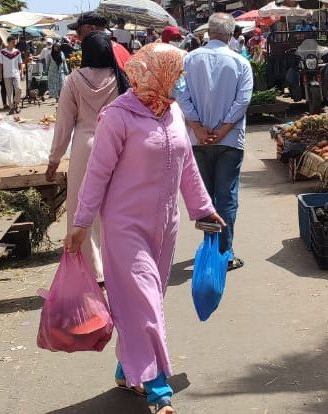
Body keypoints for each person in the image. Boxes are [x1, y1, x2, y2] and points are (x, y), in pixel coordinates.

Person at [63, 44, 226, 414]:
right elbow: (97, 174)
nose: (181, 82)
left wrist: (203, 209)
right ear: (158, 73)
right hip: (124, 228)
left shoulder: (173, 112)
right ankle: (157, 389)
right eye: (177, 74)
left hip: (165, 227)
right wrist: (81, 224)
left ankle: (127, 368)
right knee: (146, 305)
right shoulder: (117, 117)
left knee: (142, 304)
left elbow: (187, 167)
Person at [47, 33, 129, 284]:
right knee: (114, 207)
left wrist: (54, 159)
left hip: (84, 146)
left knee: (83, 208)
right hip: (116, 145)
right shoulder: (120, 78)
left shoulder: (73, 80)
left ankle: (94, 270)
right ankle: (117, 264)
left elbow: (64, 124)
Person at [176, 13, 253, 271]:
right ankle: (224, 252)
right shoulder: (240, 63)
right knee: (226, 196)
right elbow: (242, 101)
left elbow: (180, 94)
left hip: (198, 141)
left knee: (205, 198)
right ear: (231, 35)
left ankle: (211, 246)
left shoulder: (188, 60)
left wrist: (197, 126)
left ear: (208, 33)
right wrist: (223, 130)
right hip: (229, 141)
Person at [0, 36, 24, 114]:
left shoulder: (17, 52)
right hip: (6, 75)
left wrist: (22, 72)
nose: (15, 43)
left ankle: (16, 104)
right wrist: (0, 74)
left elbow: (20, 63)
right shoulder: (3, 52)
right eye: (13, 42)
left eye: (15, 42)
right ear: (8, 42)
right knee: (9, 92)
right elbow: (0, 64)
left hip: (16, 73)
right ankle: (11, 107)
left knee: (19, 89)